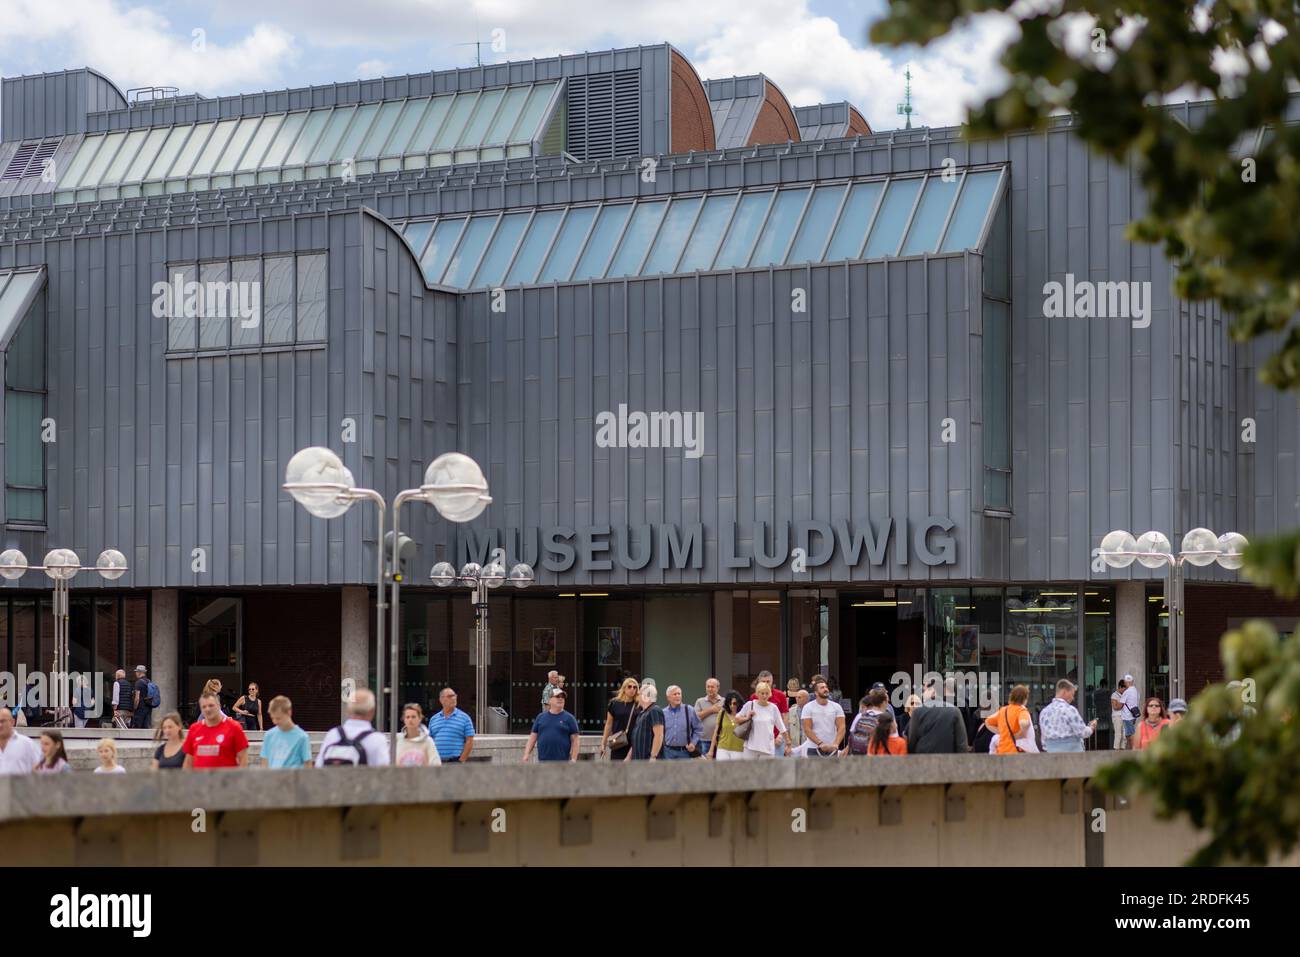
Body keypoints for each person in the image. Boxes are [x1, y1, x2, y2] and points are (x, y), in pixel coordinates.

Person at [317, 688, 389, 767]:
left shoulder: (333, 734)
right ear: (372, 711)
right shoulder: (377, 739)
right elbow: (384, 773)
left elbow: (319, 766)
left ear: (348, 710)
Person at [184, 691, 250, 769]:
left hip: (225, 780)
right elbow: (188, 763)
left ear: (219, 706)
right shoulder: (194, 729)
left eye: (211, 705)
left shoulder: (234, 728)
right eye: (204, 707)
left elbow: (243, 760)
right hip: (200, 780)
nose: (207, 709)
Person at [905, 679, 970, 754]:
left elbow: (911, 744)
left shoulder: (917, 712)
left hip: (924, 762)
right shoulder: (955, 711)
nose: (922, 694)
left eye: (924, 691)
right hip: (949, 762)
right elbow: (962, 745)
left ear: (933, 691)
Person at [1039, 679, 1098, 752]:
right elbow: (1082, 732)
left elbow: (1043, 739)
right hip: (1072, 754)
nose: (1072, 698)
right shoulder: (1069, 710)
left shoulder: (1044, 712)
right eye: (1072, 694)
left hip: (1052, 753)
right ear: (1064, 692)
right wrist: (1091, 727)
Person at [734, 680, 789, 759]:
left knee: (766, 771)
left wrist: (788, 742)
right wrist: (747, 717)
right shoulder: (750, 704)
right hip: (751, 746)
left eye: (767, 693)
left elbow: (781, 726)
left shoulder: (773, 708)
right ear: (757, 693)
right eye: (762, 693)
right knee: (748, 770)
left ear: (770, 694)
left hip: (767, 747)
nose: (764, 696)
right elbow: (736, 719)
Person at [523, 688, 581, 762]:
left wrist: (573, 759)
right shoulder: (540, 717)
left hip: (562, 763)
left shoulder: (569, 718)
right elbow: (533, 738)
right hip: (543, 762)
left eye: (562, 697)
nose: (560, 699)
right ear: (550, 700)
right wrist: (526, 754)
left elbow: (575, 740)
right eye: (557, 696)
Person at [260, 696, 312, 769]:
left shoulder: (302, 737)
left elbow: (308, 766)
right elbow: (264, 764)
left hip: (293, 779)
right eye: (272, 718)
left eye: (278, 718)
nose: (275, 722)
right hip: (272, 779)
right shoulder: (268, 735)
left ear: (289, 712)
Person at [427, 687, 475, 763]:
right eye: (450, 696)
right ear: (441, 700)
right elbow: (429, 740)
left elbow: (470, 741)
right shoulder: (434, 719)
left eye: (454, 695)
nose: (453, 698)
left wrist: (461, 761)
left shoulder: (465, 718)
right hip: (436, 761)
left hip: (455, 761)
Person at [748, 670, 789, 756]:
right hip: (758, 740)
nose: (766, 684)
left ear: (772, 681)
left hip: (777, 738)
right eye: (763, 681)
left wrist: (780, 736)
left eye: (768, 681)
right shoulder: (753, 697)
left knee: (776, 767)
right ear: (759, 682)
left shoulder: (780, 695)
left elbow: (785, 717)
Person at [801, 680, 846, 758]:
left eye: (826, 687)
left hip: (832, 748)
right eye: (822, 688)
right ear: (816, 692)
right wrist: (820, 743)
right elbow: (807, 729)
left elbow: (842, 727)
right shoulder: (808, 707)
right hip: (814, 748)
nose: (826, 689)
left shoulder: (836, 707)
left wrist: (836, 744)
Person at [985, 685, 1034, 754]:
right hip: (1014, 751)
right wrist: (1020, 733)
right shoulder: (1021, 711)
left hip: (1001, 750)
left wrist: (1001, 732)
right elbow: (1024, 723)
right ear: (1024, 699)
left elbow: (987, 722)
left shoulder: (1003, 710)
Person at [601, 677, 640, 761]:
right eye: (629, 686)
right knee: (617, 770)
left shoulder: (639, 705)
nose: (632, 689)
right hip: (618, 742)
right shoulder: (614, 703)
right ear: (624, 688)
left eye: (635, 687)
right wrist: (603, 743)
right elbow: (608, 724)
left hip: (634, 744)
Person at [845, 689, 893, 755]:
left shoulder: (860, 715)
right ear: (884, 702)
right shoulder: (886, 718)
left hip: (857, 755)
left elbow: (851, 736)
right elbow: (892, 740)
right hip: (875, 756)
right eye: (887, 701)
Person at [661, 685, 702, 759]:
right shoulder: (663, 712)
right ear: (668, 698)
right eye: (674, 694)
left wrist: (693, 743)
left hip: (685, 752)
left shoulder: (689, 710)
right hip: (667, 752)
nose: (677, 696)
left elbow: (698, 729)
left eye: (679, 694)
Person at [627, 683, 665, 760]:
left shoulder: (655, 710)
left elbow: (659, 735)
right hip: (638, 760)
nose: (638, 697)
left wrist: (653, 756)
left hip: (648, 760)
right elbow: (636, 738)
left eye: (639, 694)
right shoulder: (641, 713)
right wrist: (628, 757)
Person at [707, 691, 747, 761]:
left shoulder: (744, 714)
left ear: (739, 703)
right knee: (722, 771)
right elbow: (716, 732)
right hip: (722, 748)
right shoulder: (722, 713)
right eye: (729, 703)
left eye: (734, 703)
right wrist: (711, 750)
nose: (732, 705)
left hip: (739, 749)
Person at [0, 708, 40, 774]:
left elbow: (41, 770)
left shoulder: (26, 744)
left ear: (12, 722)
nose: (0, 725)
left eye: (3, 721)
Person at [694, 678, 724, 758]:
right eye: (708, 687)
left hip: (721, 740)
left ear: (718, 688)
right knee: (706, 766)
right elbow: (695, 717)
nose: (710, 689)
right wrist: (711, 710)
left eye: (712, 687)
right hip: (704, 740)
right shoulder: (700, 701)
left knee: (720, 765)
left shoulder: (724, 701)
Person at [1120, 674, 1141, 749]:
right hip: (1133, 716)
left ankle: (1134, 749)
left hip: (1127, 716)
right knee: (1129, 734)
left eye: (1125, 682)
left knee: (1130, 735)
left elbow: (1121, 704)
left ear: (1126, 682)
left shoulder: (1127, 692)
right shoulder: (1136, 691)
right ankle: (1131, 749)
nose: (1125, 683)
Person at [129, 665, 154, 730]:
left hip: (140, 708)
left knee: (137, 727)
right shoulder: (149, 681)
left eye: (136, 672)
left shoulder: (139, 682)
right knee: (146, 727)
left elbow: (137, 697)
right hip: (148, 706)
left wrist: (134, 707)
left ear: (139, 672)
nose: (136, 673)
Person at [788, 689, 809, 754]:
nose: (797, 699)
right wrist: (788, 744)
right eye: (796, 697)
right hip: (794, 746)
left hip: (807, 746)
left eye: (799, 697)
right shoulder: (790, 711)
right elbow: (787, 729)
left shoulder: (812, 711)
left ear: (806, 699)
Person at [1110, 679, 1128, 749]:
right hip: (1117, 716)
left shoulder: (1125, 695)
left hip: (1125, 716)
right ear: (1120, 687)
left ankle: (1122, 750)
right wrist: (1123, 703)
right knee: (1118, 735)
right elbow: (1115, 707)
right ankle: (1116, 750)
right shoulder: (1114, 695)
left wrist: (1120, 703)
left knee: (1124, 735)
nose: (1125, 691)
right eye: (1124, 689)